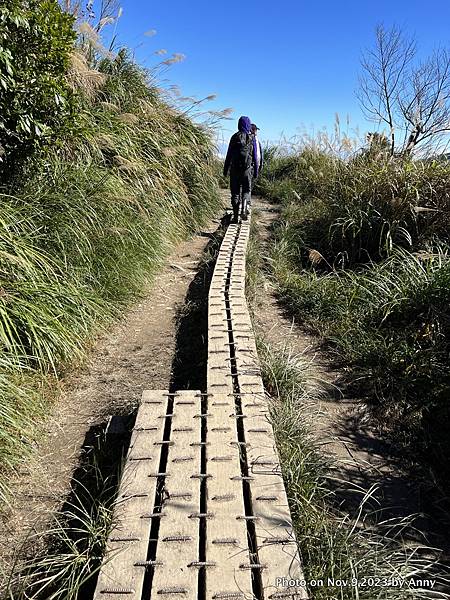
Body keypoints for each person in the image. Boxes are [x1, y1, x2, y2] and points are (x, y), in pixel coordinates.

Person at [223, 116, 257, 223]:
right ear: (248, 125)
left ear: (239, 124)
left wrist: (225, 170)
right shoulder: (252, 139)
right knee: (246, 190)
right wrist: (255, 171)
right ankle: (245, 206)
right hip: (247, 170)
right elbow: (255, 157)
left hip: (234, 170)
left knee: (235, 193)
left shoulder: (234, 137)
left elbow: (228, 155)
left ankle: (236, 216)